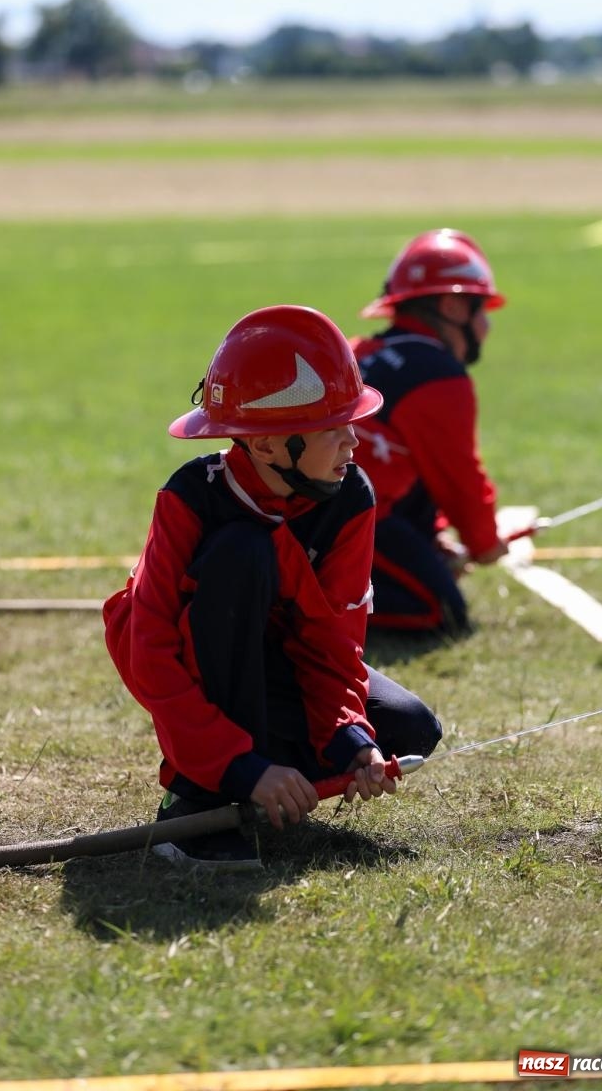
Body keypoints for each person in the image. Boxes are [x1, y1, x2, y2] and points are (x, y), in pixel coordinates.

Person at [103, 305, 443, 870]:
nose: (353, 442)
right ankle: (195, 803)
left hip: (276, 668)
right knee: (243, 550)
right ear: (264, 446)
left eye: (350, 422)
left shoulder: (350, 497)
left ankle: (269, 784)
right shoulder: (191, 498)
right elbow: (149, 651)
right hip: (196, 670)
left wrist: (351, 741)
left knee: (408, 729)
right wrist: (238, 766)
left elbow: (334, 643)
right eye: (331, 429)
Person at [350, 228, 509, 636]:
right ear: (453, 306)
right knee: (440, 612)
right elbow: (459, 480)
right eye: (481, 310)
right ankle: (294, 611)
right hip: (348, 521)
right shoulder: (438, 377)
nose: (486, 326)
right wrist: (484, 544)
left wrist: (434, 538)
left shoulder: (360, 351)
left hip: (324, 514)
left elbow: (410, 472)